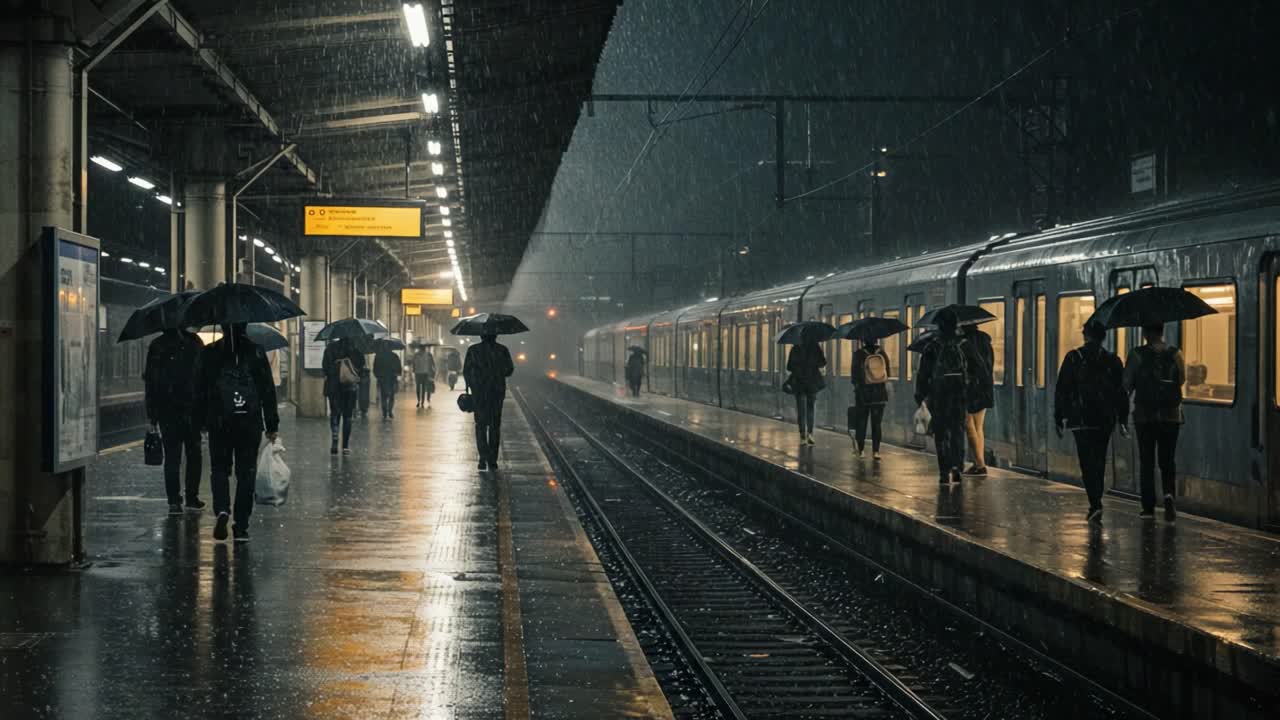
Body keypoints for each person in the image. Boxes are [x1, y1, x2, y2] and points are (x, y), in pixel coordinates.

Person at [192, 323, 278, 542]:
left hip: (219, 421)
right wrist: (272, 424)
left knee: (220, 469)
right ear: (245, 326)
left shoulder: (210, 352)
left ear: (221, 326)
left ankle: (222, 508)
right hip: (249, 422)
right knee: (246, 472)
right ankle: (241, 525)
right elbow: (267, 389)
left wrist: (201, 421)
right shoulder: (256, 351)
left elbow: (199, 389)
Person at [1055, 320, 1128, 523]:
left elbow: (1062, 389)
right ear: (1103, 337)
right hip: (1104, 418)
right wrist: (1123, 418)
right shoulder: (1113, 360)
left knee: (1087, 461)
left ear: (1085, 335)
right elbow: (1120, 392)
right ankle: (1097, 497)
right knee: (1100, 458)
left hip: (1081, 419)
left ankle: (1095, 502)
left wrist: (1059, 417)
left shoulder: (1073, 358)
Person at [1124, 323, 1185, 521]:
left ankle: (1148, 507)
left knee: (1147, 462)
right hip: (1171, 416)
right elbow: (1181, 380)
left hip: (1145, 417)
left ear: (1146, 333)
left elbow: (1127, 384)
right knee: (1167, 461)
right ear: (1161, 332)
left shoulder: (1137, 355)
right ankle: (1168, 494)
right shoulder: (1176, 354)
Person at [915, 310, 984, 484]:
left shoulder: (932, 346)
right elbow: (979, 369)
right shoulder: (964, 345)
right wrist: (970, 387)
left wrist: (921, 396)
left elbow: (923, 374)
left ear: (939, 326)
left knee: (941, 433)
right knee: (957, 431)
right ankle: (957, 468)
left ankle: (944, 472)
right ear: (955, 326)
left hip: (939, 396)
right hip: (959, 395)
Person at [143, 327, 206, 515]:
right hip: (192, 409)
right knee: (194, 454)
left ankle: (173, 501)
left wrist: (152, 415)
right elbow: (203, 378)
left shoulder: (157, 345)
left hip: (167, 410)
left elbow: (151, 382)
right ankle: (192, 497)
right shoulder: (195, 342)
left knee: (172, 456)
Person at [463, 333, 515, 470]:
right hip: (496, 393)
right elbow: (509, 370)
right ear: (496, 336)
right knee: (494, 426)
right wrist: (497, 372)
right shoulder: (502, 350)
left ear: (480, 336)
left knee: (480, 425)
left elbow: (466, 371)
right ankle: (492, 460)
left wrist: (473, 383)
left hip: (479, 393)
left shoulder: (473, 350)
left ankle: (482, 458)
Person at [322, 337, 365, 455]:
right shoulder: (355, 350)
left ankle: (335, 437)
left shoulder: (330, 348)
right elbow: (361, 368)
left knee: (335, 413)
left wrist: (335, 370)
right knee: (347, 416)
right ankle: (345, 446)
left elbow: (325, 368)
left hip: (333, 386)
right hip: (349, 388)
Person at [962, 324, 995, 476]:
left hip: (971, 388)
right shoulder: (986, 342)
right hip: (986, 386)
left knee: (968, 424)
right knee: (978, 427)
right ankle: (977, 463)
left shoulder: (965, 343)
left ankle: (980, 465)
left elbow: (968, 367)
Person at [849, 338, 890, 459]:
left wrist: (859, 385)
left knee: (861, 422)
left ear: (862, 340)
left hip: (864, 394)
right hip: (880, 395)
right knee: (877, 424)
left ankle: (861, 450)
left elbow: (854, 377)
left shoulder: (858, 354)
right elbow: (888, 373)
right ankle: (876, 451)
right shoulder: (882, 353)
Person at [786, 339, 826, 445]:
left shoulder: (795, 348)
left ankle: (802, 436)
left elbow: (789, 366)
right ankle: (810, 434)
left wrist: (799, 367)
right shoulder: (815, 347)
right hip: (812, 382)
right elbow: (823, 362)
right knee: (810, 408)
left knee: (801, 409)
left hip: (799, 382)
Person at [373, 344, 402, 419]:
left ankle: (384, 412)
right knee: (391, 396)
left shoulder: (379, 356)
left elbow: (375, 368)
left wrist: (378, 376)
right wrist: (397, 373)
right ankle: (389, 411)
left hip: (382, 379)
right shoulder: (394, 356)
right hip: (392, 378)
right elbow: (399, 368)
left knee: (383, 396)